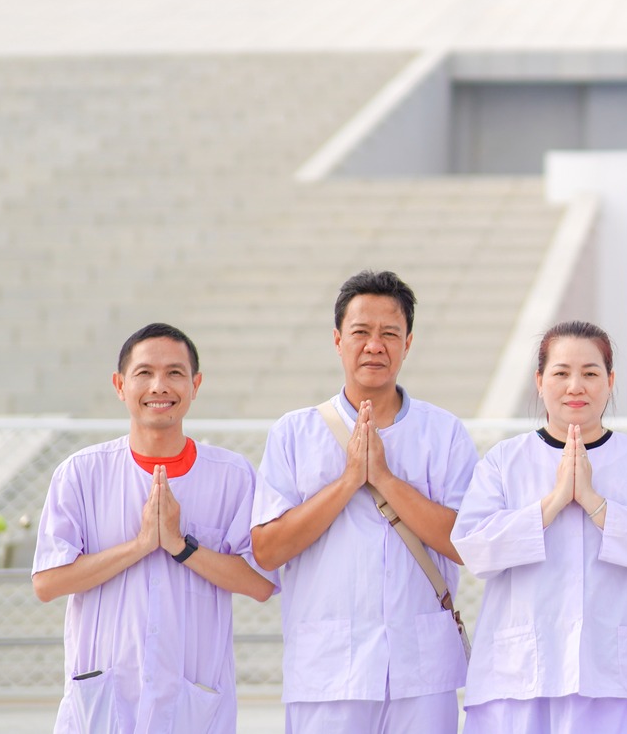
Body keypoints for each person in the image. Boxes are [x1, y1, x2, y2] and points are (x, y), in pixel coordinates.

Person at [252, 271, 479, 734]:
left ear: (408, 343)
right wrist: (349, 480)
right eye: (360, 332)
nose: (374, 345)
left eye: (389, 334)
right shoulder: (295, 433)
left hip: (421, 674)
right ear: (337, 340)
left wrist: (386, 480)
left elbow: (467, 544)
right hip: (328, 673)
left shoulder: (445, 433)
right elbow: (267, 549)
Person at [32, 322, 274, 734]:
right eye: (144, 373)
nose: (160, 386)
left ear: (196, 385)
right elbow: (47, 583)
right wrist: (142, 545)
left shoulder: (232, 475)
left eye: (175, 373)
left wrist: (182, 546)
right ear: (119, 384)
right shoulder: (81, 473)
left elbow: (260, 583)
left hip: (194, 702)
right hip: (104, 703)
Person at [453, 320, 627, 734]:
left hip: (620, 679)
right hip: (521, 678)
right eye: (561, 373)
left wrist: (594, 502)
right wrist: (555, 501)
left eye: (591, 373)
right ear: (539, 381)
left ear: (610, 382)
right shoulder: (505, 461)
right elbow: (475, 550)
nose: (576, 386)